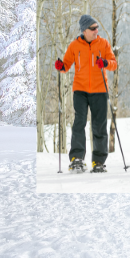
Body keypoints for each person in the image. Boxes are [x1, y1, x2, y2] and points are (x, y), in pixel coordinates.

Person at [54, 14, 117, 173]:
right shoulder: (75, 46)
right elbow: (66, 66)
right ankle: (77, 159)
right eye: (93, 28)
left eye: (97, 28)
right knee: (79, 123)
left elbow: (114, 64)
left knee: (99, 126)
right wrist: (61, 66)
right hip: (80, 90)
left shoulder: (103, 44)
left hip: (100, 90)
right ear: (84, 30)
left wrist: (105, 63)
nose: (97, 30)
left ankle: (99, 162)